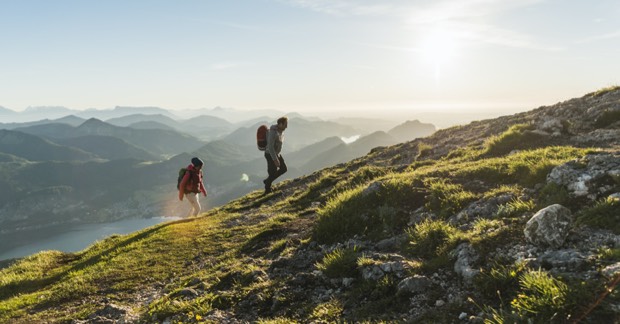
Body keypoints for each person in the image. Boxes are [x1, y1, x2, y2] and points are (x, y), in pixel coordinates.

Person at [263, 116, 288, 194]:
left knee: (283, 168)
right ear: (280, 124)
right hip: (270, 154)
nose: (286, 126)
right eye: (285, 124)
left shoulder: (280, 130)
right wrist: (275, 159)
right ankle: (267, 189)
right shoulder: (273, 132)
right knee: (272, 172)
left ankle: (267, 181)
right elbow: (270, 147)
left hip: (277, 153)